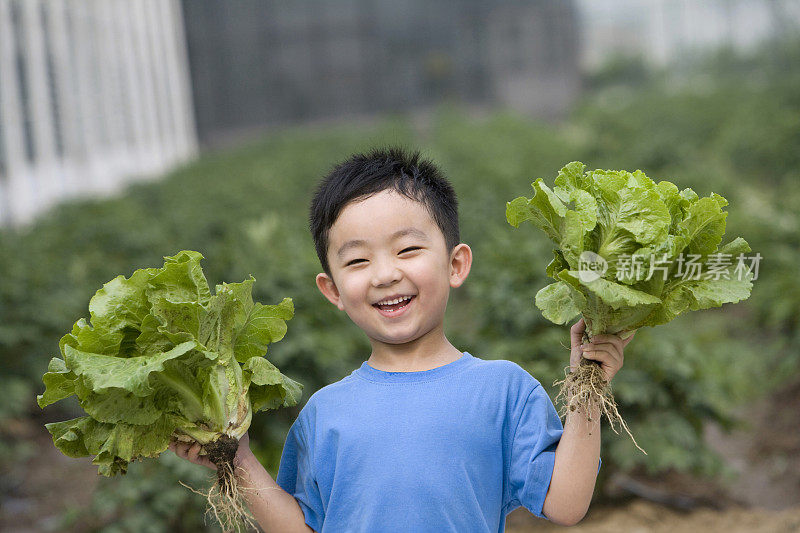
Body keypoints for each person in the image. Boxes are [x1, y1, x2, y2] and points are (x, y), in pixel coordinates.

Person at [170, 147, 635, 532]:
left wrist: (587, 384)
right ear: (332, 290)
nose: (386, 274)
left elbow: (567, 503)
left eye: (408, 249)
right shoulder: (323, 414)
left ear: (456, 264)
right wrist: (239, 458)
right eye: (357, 261)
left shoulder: (504, 391)